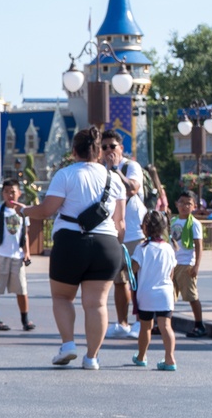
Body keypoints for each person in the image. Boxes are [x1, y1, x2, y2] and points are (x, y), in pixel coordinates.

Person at [25, 125, 125, 369]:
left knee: (62, 297)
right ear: (98, 152)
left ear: (73, 151)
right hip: (106, 246)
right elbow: (120, 223)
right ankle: (92, 358)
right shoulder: (114, 179)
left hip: (71, 242)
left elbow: (47, 210)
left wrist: (24, 210)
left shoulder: (66, 174)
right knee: (97, 304)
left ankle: (68, 344)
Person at [101, 131, 144, 339]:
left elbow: (132, 189)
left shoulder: (130, 166)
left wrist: (116, 170)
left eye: (112, 146)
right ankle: (122, 323)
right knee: (120, 281)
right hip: (115, 234)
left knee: (139, 279)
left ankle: (140, 322)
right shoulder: (100, 171)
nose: (109, 150)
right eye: (105, 147)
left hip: (135, 232)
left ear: (121, 148)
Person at [0, 178, 36, 334]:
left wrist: (26, 252)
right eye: (6, 192)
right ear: (2, 194)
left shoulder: (23, 211)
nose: (10, 195)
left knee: (21, 289)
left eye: (13, 192)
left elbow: (25, 234)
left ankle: (25, 319)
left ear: (19, 193)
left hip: (17, 255)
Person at [131, 211, 177, 370]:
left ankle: (141, 356)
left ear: (145, 227)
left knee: (146, 327)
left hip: (146, 294)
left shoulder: (142, 248)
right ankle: (170, 359)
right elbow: (171, 273)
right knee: (166, 326)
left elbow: (134, 269)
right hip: (165, 293)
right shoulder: (168, 248)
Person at [170, 190, 206, 337]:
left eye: (188, 203)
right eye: (182, 203)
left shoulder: (194, 224)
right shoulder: (173, 221)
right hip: (172, 264)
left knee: (191, 296)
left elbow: (198, 245)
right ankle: (164, 324)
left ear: (194, 206)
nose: (184, 206)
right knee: (168, 296)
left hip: (186, 265)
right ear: (176, 204)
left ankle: (199, 324)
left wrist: (196, 265)